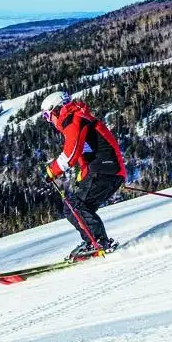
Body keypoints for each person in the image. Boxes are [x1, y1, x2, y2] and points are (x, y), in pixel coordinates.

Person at [41, 90, 125, 260]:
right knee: (75, 208)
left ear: (56, 109)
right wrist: (83, 175)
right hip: (106, 171)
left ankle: (98, 242)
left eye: (47, 116)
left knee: (75, 205)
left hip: (105, 171)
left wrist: (52, 170)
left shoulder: (73, 119)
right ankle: (92, 241)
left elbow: (71, 153)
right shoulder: (79, 117)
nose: (49, 121)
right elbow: (86, 153)